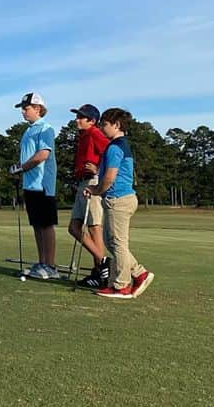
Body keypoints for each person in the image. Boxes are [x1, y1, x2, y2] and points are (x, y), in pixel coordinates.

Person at [83, 108, 154, 299]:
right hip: (121, 199)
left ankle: (122, 285)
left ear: (116, 125)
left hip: (119, 200)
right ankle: (137, 274)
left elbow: (109, 177)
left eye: (105, 124)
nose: (102, 128)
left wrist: (95, 190)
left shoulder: (115, 147)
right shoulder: (122, 145)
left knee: (117, 243)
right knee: (112, 243)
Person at [8, 92, 59, 280]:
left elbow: (42, 155)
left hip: (43, 184)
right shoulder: (28, 129)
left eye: (26, 108)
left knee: (46, 225)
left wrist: (21, 168)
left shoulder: (45, 128)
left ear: (38, 109)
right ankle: (42, 262)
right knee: (37, 225)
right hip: (30, 185)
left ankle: (51, 266)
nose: (23, 112)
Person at [68, 104, 111, 288]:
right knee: (74, 227)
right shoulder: (83, 135)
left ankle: (100, 272)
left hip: (93, 182)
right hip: (83, 183)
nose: (77, 119)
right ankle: (102, 263)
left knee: (94, 227)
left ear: (92, 121)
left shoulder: (94, 133)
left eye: (81, 117)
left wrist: (98, 169)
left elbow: (111, 154)